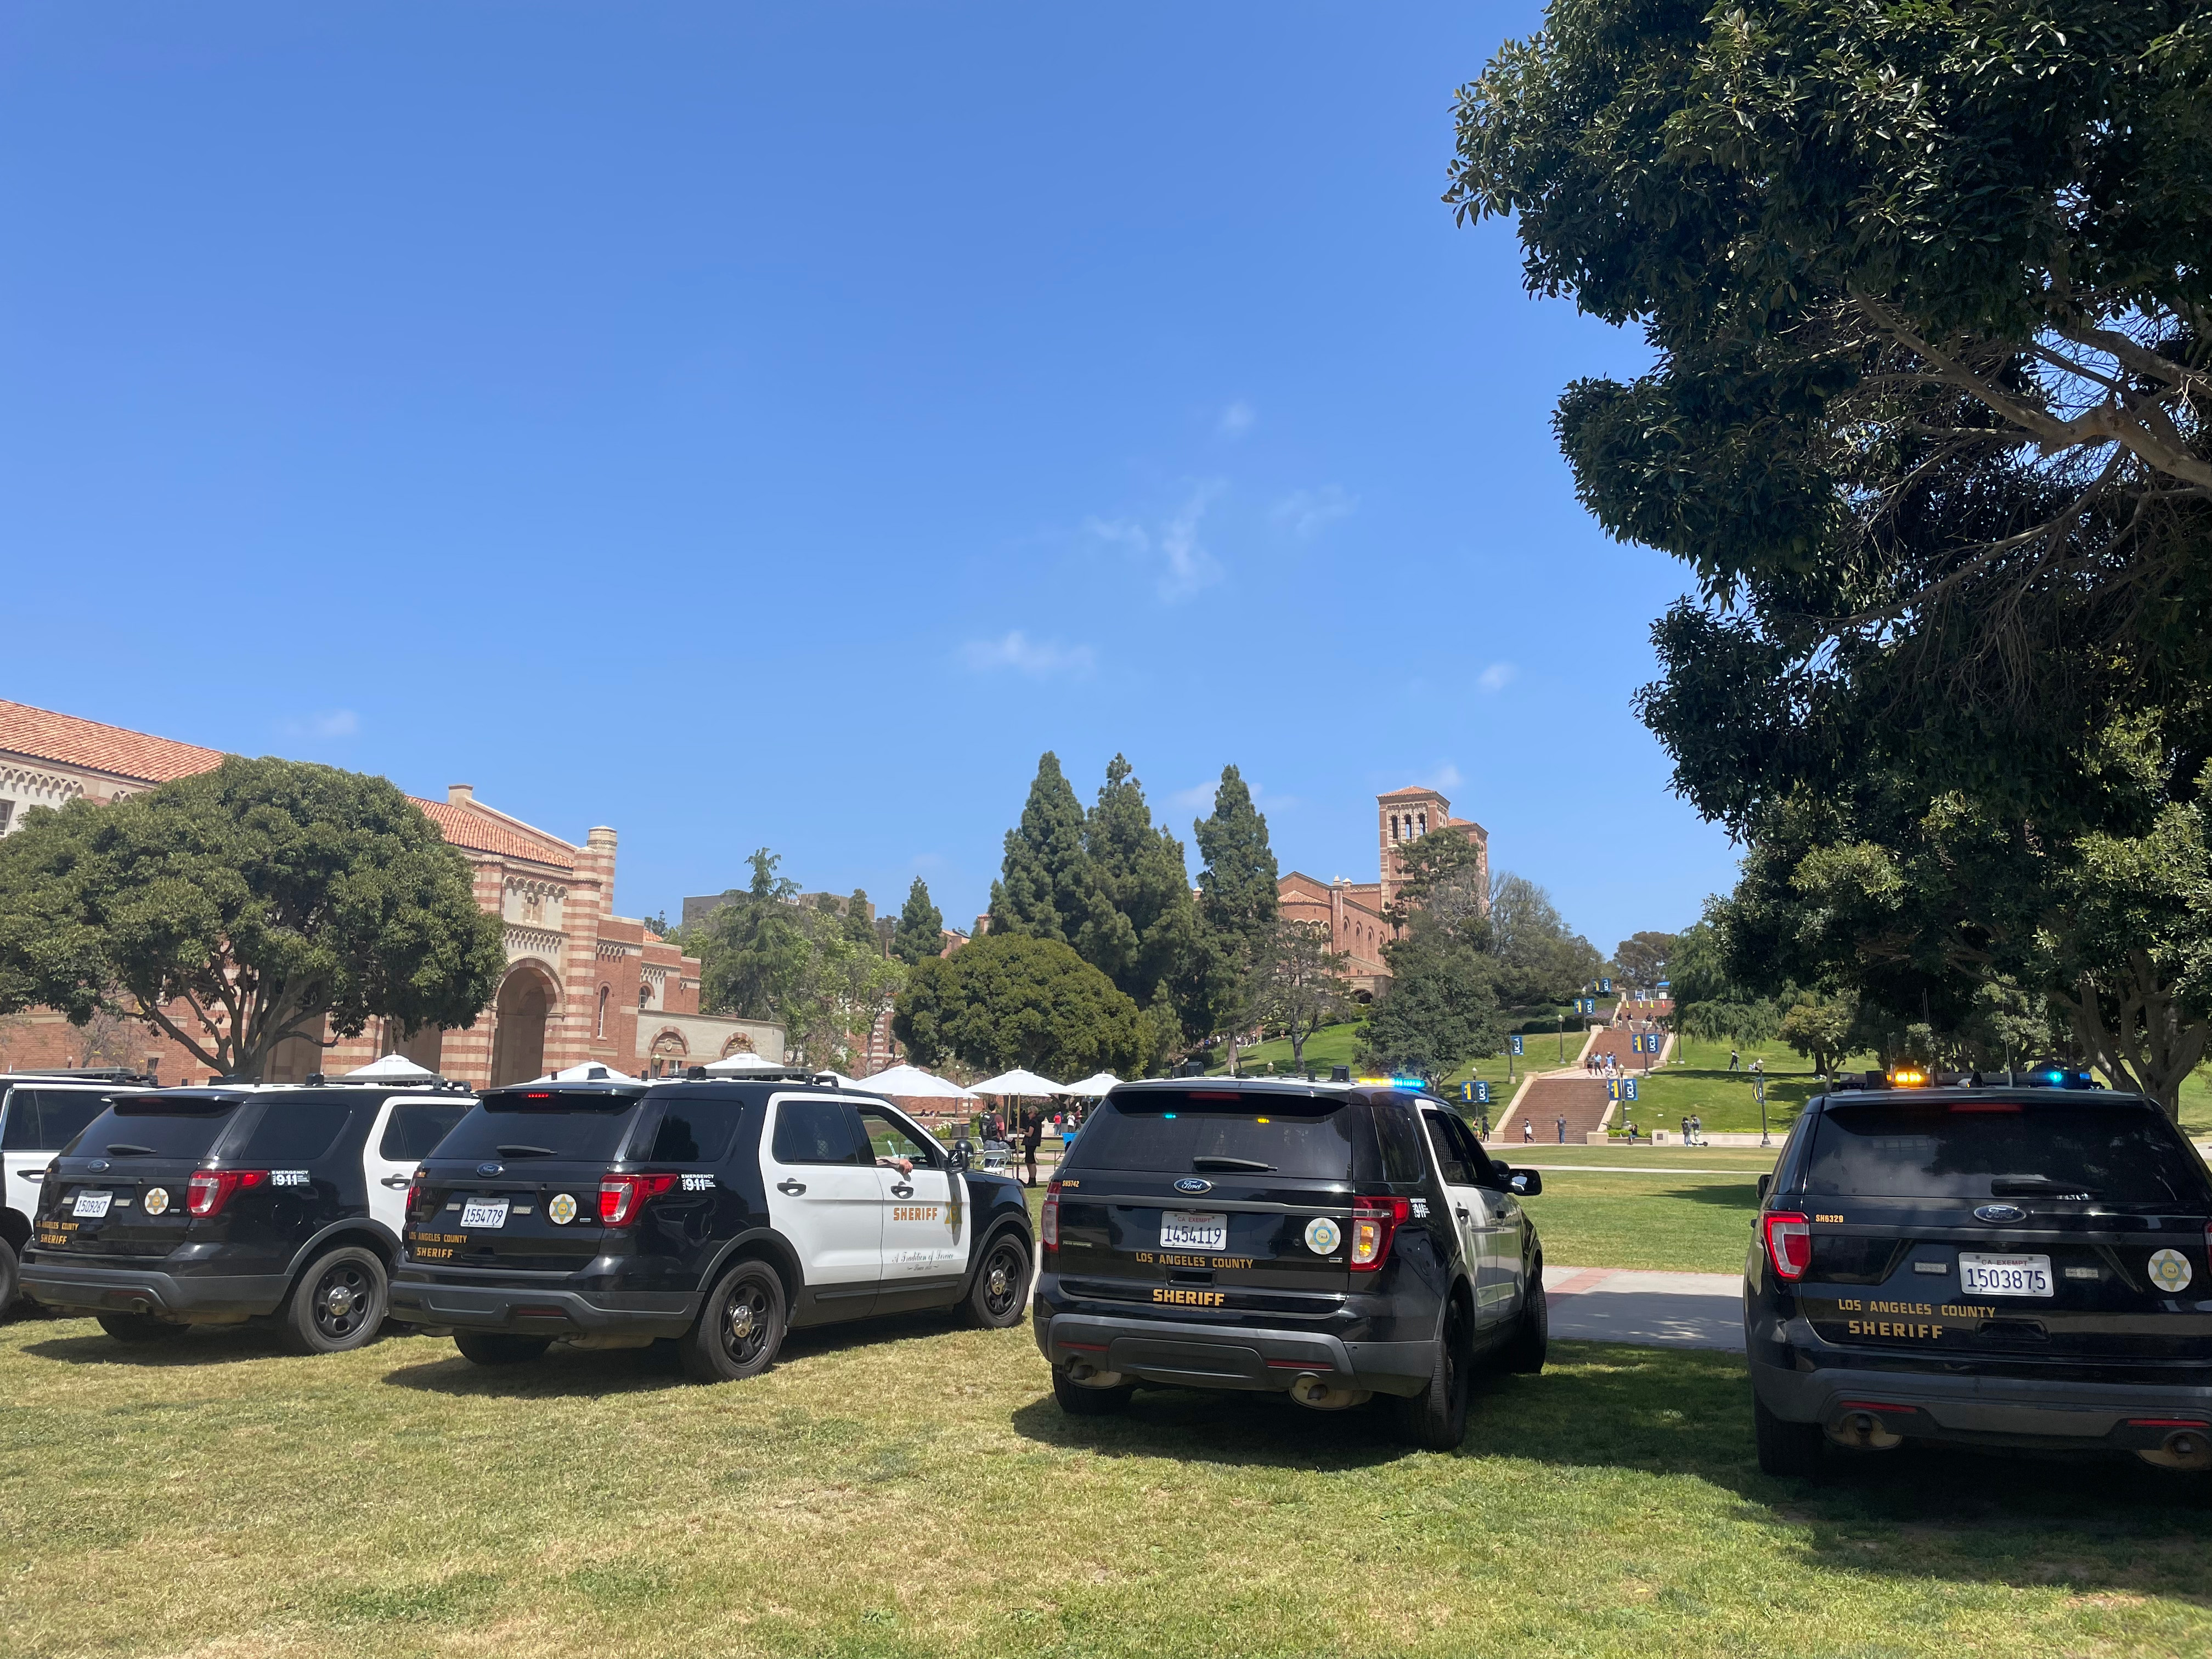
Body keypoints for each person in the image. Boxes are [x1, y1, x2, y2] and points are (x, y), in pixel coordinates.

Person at [1022, 1111, 1042, 1187]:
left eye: (1029, 1113)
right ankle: (1031, 1179)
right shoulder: (1037, 1122)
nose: (1028, 1115)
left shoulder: (1033, 1122)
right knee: (1029, 1161)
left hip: (1031, 1143)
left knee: (1031, 1161)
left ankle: (1032, 1180)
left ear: (1033, 1113)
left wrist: (1023, 1131)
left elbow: (1030, 1134)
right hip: (1033, 1143)